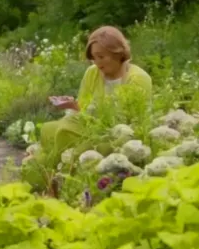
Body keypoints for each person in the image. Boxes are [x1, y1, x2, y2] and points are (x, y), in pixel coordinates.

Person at [39, 26, 152, 163]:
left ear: (118, 53)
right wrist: (73, 105)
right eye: (93, 58)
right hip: (90, 128)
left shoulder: (138, 78)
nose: (97, 62)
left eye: (101, 57)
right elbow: (84, 110)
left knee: (65, 131)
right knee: (48, 129)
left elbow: (133, 122)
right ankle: (52, 168)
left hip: (117, 134)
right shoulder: (92, 73)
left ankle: (55, 168)